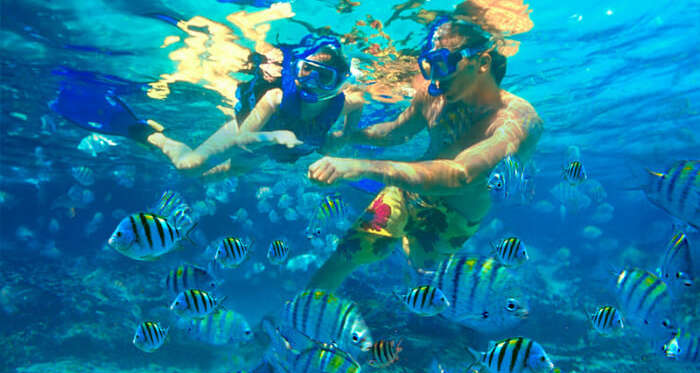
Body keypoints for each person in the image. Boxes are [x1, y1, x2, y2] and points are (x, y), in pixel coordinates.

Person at [305, 16, 543, 290]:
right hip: (407, 192)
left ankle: (411, 252)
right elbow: (396, 132)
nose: (434, 79)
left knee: (424, 284)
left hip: (455, 218)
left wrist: (361, 167)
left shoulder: (517, 121)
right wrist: (346, 137)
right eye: (428, 65)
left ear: (483, 62)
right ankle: (297, 322)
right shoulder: (433, 97)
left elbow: (460, 175)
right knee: (346, 254)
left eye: (443, 63)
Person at [144, 35, 364, 177]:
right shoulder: (276, 98)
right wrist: (275, 136)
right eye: (306, 70)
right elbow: (241, 138)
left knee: (206, 179)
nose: (311, 81)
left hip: (263, 154)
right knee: (189, 167)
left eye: (324, 76)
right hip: (251, 133)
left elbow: (358, 103)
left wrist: (345, 135)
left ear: (338, 83)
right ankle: (153, 135)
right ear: (296, 68)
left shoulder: (338, 105)